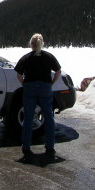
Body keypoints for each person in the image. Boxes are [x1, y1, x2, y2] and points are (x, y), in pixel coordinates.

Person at [14, 33, 62, 162]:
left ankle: (26, 148)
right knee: (49, 117)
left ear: (31, 44)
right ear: (42, 43)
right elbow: (58, 71)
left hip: (29, 87)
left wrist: (23, 83)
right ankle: (50, 147)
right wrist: (52, 82)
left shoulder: (26, 57)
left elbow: (18, 74)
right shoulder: (48, 57)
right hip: (45, 88)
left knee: (28, 118)